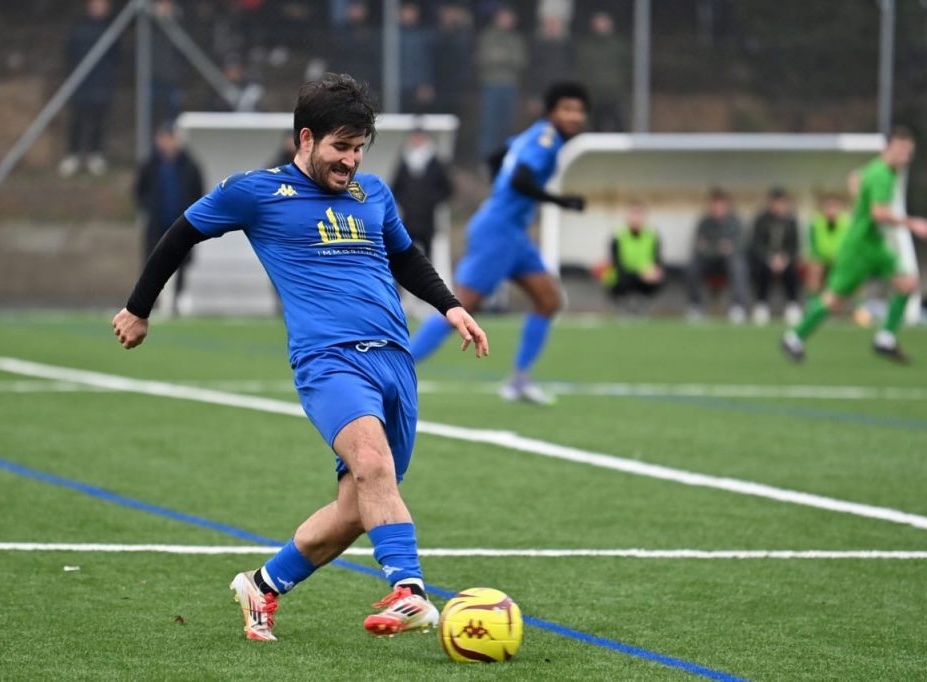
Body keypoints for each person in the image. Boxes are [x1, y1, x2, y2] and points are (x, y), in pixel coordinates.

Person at [112, 74, 488, 641]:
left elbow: (405, 257)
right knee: (372, 463)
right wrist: (139, 309)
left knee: (359, 507)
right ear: (306, 138)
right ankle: (409, 590)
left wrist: (450, 307)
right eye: (341, 147)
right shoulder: (256, 192)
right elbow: (181, 233)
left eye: (359, 149)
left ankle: (262, 585)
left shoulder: (373, 194)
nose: (351, 161)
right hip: (329, 361)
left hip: (395, 360)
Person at [409, 82, 589, 404]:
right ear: (552, 111)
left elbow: (496, 158)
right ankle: (396, 365)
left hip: (513, 234)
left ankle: (518, 381)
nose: (574, 116)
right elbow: (520, 178)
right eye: (567, 109)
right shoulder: (546, 140)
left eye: (579, 110)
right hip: (497, 231)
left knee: (548, 299)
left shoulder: (533, 134)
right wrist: (560, 201)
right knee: (461, 307)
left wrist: (502, 195)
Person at [782, 126, 927, 363]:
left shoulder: (877, 169)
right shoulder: (882, 174)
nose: (906, 158)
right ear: (889, 149)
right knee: (834, 300)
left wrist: (860, 197)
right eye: (902, 151)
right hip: (859, 248)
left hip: (874, 244)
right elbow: (878, 213)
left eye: (909, 153)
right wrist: (912, 223)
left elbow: (855, 178)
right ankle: (794, 337)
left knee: (907, 283)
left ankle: (885, 339)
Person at [133, 124, 204, 314]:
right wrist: (148, 209)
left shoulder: (190, 165)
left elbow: (198, 191)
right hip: (157, 224)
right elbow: (140, 190)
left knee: (181, 260)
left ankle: (180, 296)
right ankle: (156, 300)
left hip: (182, 223)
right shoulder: (149, 164)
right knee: (155, 260)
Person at [59, 0, 118, 177]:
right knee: (77, 118)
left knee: (98, 119)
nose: (99, 8)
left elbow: (116, 55)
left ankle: (95, 155)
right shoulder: (79, 28)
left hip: (101, 81)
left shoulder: (111, 29)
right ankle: (73, 155)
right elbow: (70, 52)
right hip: (81, 81)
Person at [685, 189, 749, 323]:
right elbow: (698, 246)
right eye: (714, 205)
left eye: (720, 205)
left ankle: (738, 307)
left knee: (738, 266)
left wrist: (716, 247)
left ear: (726, 206)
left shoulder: (735, 222)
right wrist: (720, 247)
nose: (717, 209)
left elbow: (739, 246)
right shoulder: (704, 223)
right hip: (709, 262)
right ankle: (695, 306)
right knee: (692, 266)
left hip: (727, 263)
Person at [390, 128, 453, 257]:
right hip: (409, 218)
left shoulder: (435, 162)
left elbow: (446, 188)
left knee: (427, 255)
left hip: (427, 219)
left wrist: (431, 201)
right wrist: (405, 202)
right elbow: (396, 187)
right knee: (407, 254)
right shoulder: (404, 161)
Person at [476, 6, 528, 159]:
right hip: (491, 85)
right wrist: (504, 57)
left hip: (510, 85)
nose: (506, 21)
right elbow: (482, 59)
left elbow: (521, 61)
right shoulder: (487, 36)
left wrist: (499, 56)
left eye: (508, 18)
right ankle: (487, 159)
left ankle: (505, 157)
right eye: (503, 18)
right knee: (489, 124)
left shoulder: (516, 39)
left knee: (507, 124)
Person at [749, 187, 801, 325]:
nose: (778, 206)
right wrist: (770, 258)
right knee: (761, 269)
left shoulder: (791, 221)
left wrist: (784, 259)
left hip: (785, 260)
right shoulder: (761, 220)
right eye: (775, 202)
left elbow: (794, 246)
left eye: (781, 202)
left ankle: (792, 304)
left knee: (792, 271)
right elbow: (756, 245)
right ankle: (761, 304)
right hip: (766, 259)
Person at [574, 11, 629, 132]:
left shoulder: (618, 45)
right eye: (598, 24)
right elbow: (582, 69)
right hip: (594, 94)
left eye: (603, 23)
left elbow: (626, 67)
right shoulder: (587, 46)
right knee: (595, 126)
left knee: (619, 124)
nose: (601, 26)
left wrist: (620, 84)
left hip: (614, 93)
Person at [605, 203, 664, 307]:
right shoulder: (618, 235)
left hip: (645, 274)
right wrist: (638, 273)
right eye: (633, 214)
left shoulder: (652, 235)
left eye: (639, 214)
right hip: (624, 274)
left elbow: (657, 258)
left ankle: (642, 303)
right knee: (615, 277)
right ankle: (622, 304)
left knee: (657, 276)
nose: (636, 218)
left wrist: (653, 270)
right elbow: (615, 261)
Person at [804, 195, 852, 297]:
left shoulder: (847, 223)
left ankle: (855, 303)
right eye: (829, 207)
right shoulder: (816, 223)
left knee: (854, 269)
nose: (832, 211)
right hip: (821, 258)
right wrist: (819, 257)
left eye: (835, 207)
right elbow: (813, 246)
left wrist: (840, 257)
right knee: (815, 269)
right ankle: (814, 301)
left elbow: (850, 245)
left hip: (841, 258)